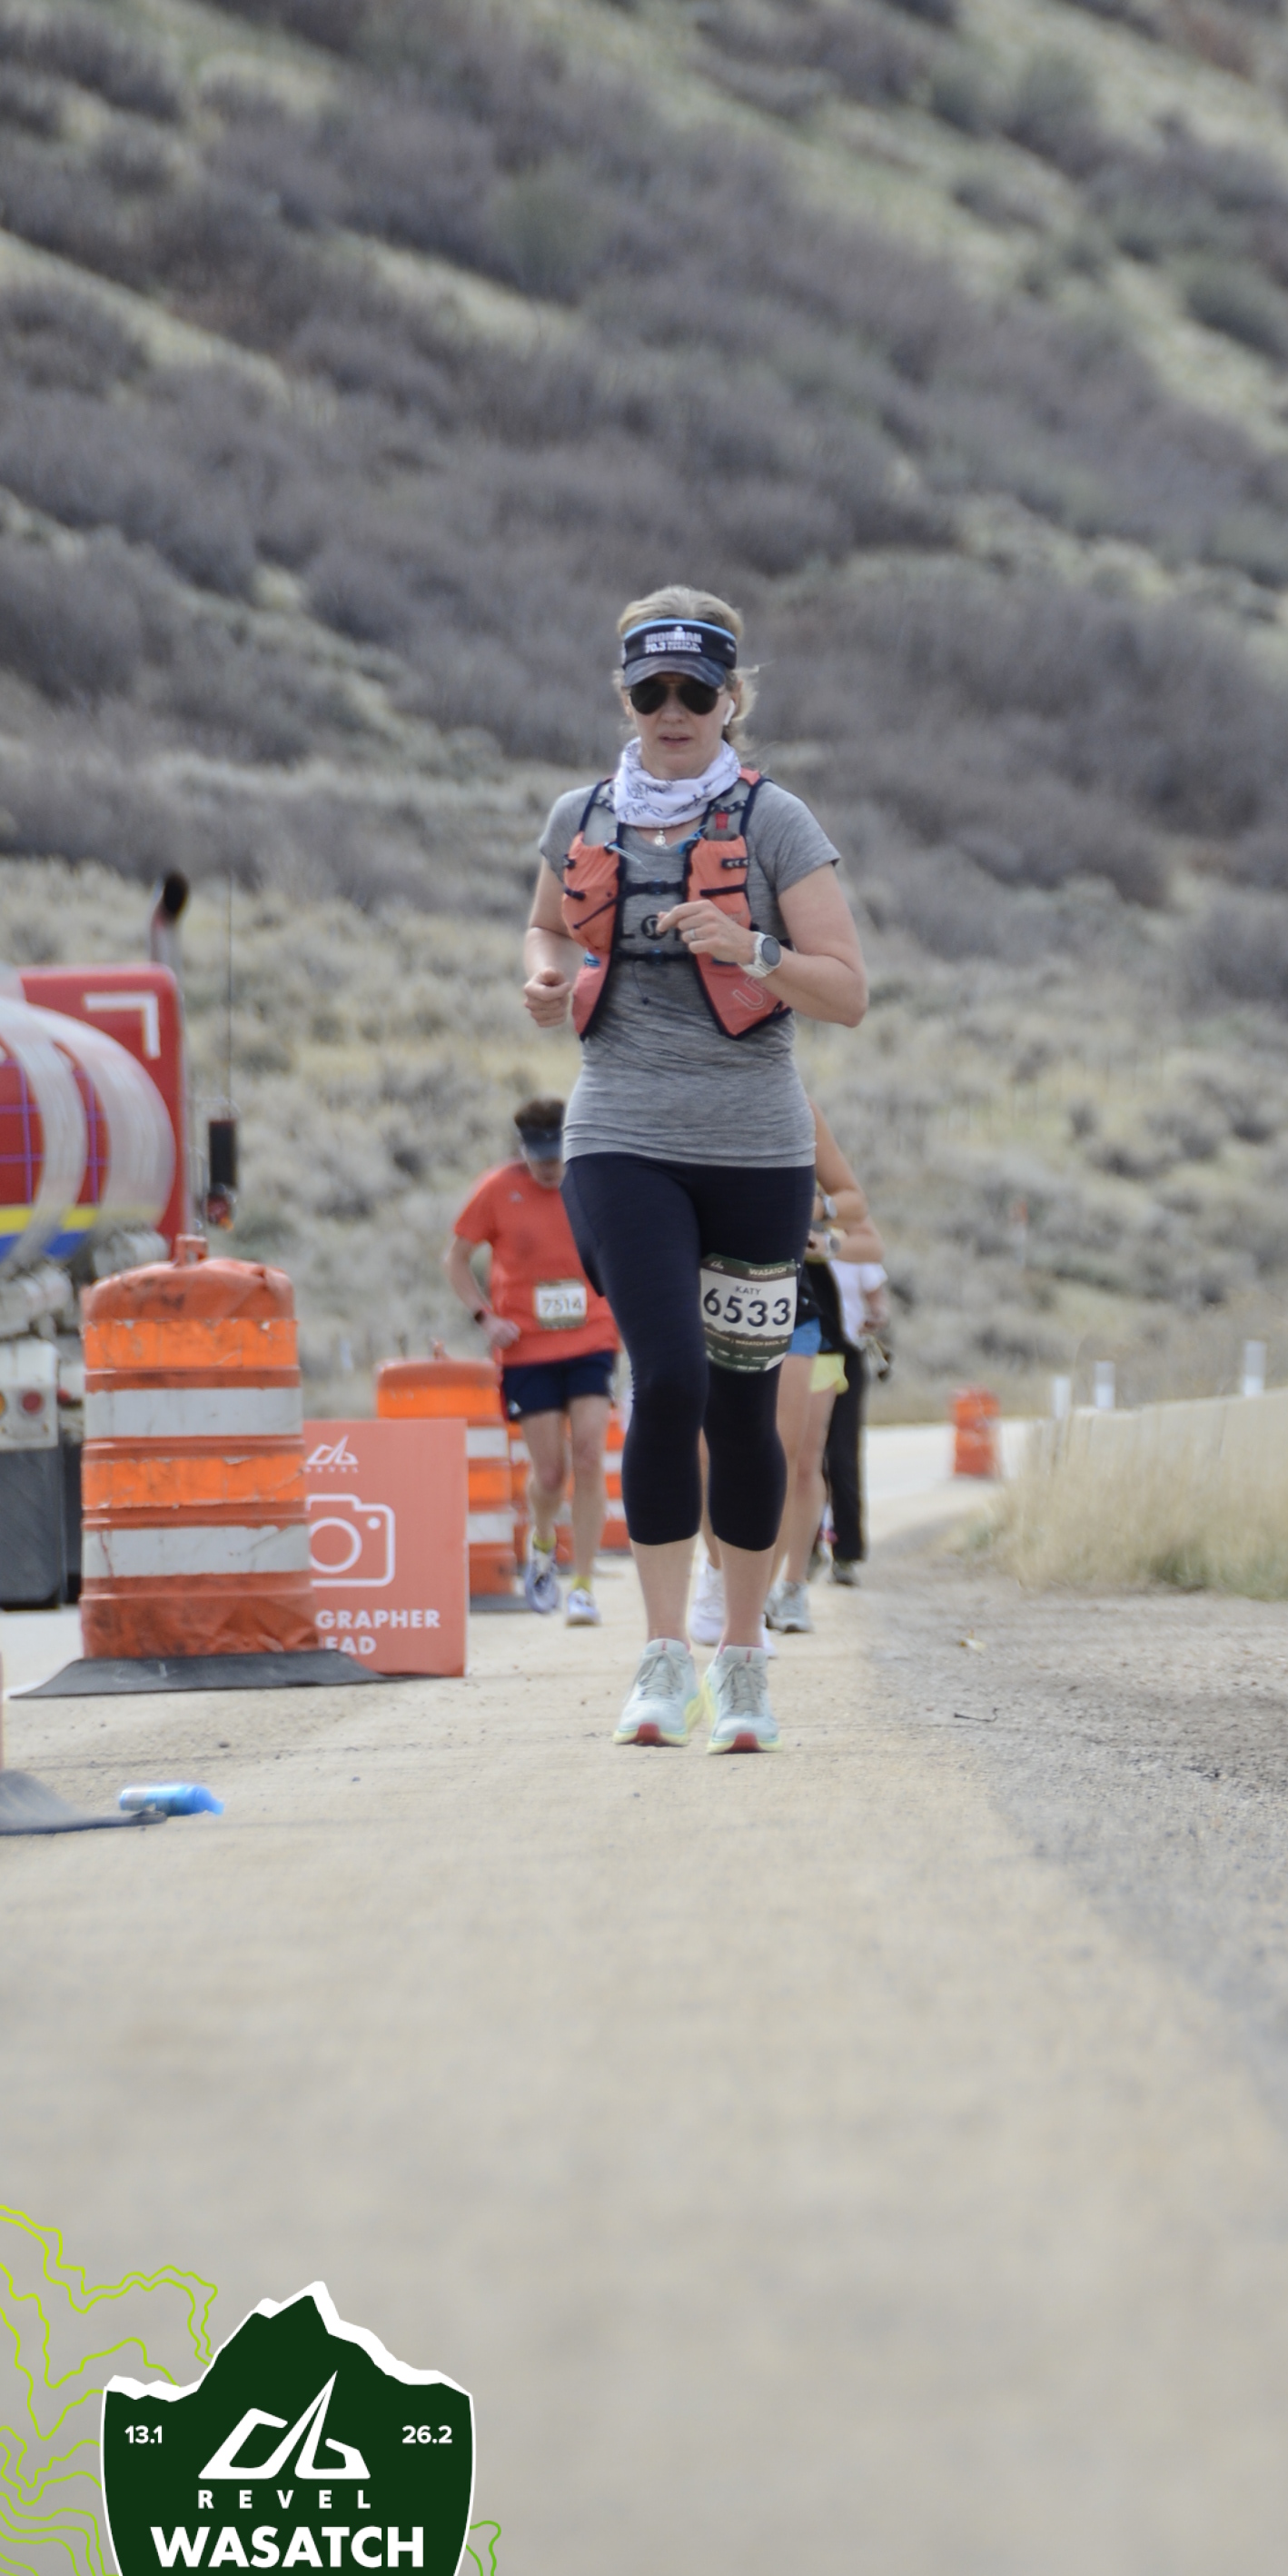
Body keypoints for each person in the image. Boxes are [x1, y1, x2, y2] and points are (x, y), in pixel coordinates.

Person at [521, 587, 867, 1752]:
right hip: (619, 1136)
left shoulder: (776, 823)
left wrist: (752, 947)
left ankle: (744, 1662)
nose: (672, 711)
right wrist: (542, 976)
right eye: (650, 692)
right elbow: (547, 928)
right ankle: (663, 1657)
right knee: (667, 1377)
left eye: (695, 692)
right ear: (625, 698)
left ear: (731, 698)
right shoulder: (580, 815)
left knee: (740, 1403)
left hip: (756, 1152)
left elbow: (847, 992)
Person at [443, 1096, 618, 1624]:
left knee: (588, 1456)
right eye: (539, 1158)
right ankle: (542, 1545)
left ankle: (583, 1586)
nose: (549, 1167)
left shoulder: (593, 1182)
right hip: (527, 1349)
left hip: (591, 1338)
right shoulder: (498, 1189)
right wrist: (485, 1317)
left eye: (557, 1156)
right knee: (550, 1472)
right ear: (523, 1150)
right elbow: (456, 1259)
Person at [766, 1099, 882, 1636]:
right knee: (754, 1457)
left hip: (819, 1327)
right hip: (748, 1320)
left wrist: (824, 1239)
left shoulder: (811, 1183)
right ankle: (741, 1581)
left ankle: (793, 1586)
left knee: (804, 1459)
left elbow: (869, 1238)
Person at [823, 1248, 888, 1585]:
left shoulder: (855, 1244)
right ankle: (805, 1547)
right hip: (806, 1354)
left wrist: (876, 1316)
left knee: (842, 1456)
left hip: (848, 1354)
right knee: (804, 1458)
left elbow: (879, 1300)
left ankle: (846, 1553)